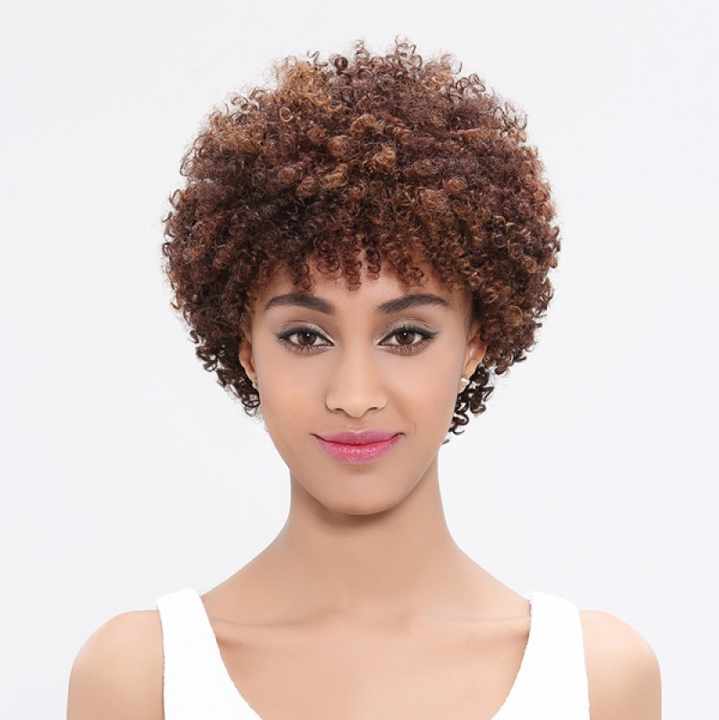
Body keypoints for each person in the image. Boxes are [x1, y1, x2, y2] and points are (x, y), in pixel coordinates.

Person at [67, 36, 661, 719]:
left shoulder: (593, 679)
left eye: (406, 336)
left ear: (475, 342)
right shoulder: (143, 679)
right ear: (247, 351)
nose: (353, 397)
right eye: (305, 337)